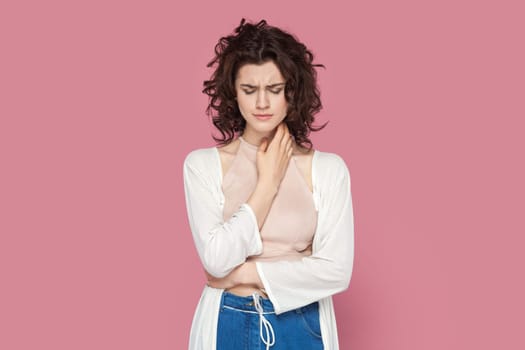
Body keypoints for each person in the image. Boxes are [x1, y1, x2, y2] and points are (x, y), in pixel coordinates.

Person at [183, 18, 354, 350]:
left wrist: (245, 275)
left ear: (292, 92)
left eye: (274, 90)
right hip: (227, 320)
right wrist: (268, 183)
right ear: (233, 91)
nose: (262, 103)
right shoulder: (203, 165)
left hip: (301, 324)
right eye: (250, 90)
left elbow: (336, 271)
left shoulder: (327, 170)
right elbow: (216, 260)